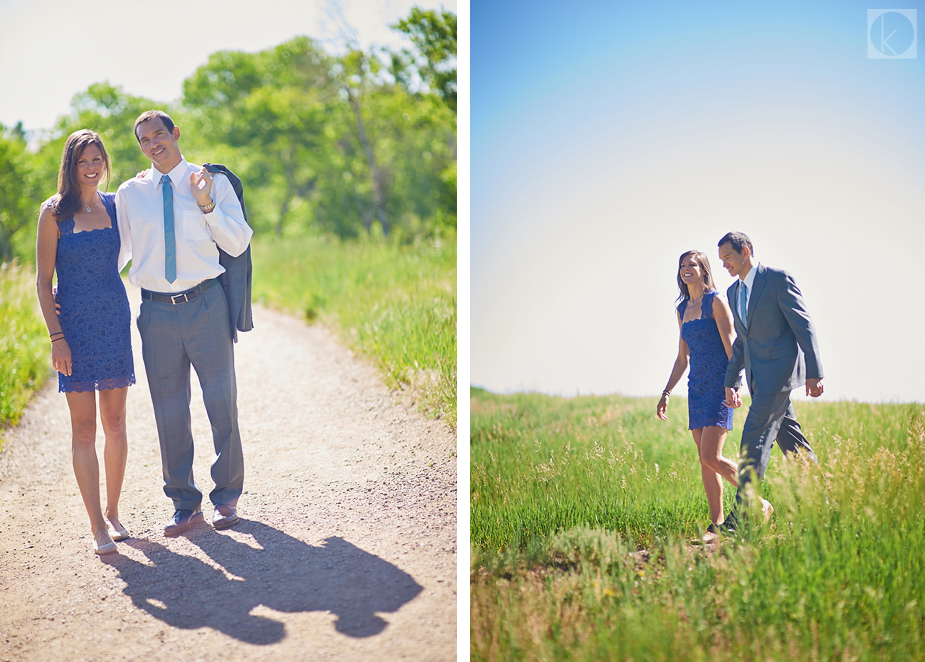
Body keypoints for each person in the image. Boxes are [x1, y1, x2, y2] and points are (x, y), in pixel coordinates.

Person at [116, 110, 253, 536]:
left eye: (159, 134)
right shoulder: (130, 193)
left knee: (220, 401)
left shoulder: (211, 180)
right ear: (140, 146)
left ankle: (227, 496)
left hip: (205, 303)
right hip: (155, 311)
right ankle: (184, 504)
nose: (154, 143)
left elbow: (238, 239)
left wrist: (206, 202)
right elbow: (117, 254)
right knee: (168, 409)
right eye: (144, 139)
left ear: (175, 133)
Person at [36, 130, 135, 555]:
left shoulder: (116, 206)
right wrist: (56, 338)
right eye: (83, 161)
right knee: (84, 428)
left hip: (114, 322)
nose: (92, 167)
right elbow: (43, 281)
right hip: (73, 331)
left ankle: (113, 512)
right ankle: (95, 525)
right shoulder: (53, 213)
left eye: (97, 159)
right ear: (70, 166)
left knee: (115, 424)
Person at [717, 231, 824, 533]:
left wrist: (814, 372)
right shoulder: (733, 292)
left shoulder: (777, 279)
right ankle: (827, 506)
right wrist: (732, 379)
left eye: (728, 257)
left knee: (752, 441)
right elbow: (742, 341)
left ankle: (741, 518)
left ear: (746, 251)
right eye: (721, 259)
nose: (724, 264)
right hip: (756, 379)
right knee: (794, 445)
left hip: (780, 376)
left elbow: (803, 325)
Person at [657, 250, 768, 537]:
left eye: (692, 264)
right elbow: (683, 358)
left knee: (711, 455)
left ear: (704, 270)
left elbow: (732, 345)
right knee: (704, 461)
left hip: (720, 385)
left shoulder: (715, 301)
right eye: (682, 265)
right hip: (696, 389)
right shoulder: (682, 310)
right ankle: (717, 526)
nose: (686, 269)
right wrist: (667, 391)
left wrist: (735, 383)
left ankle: (759, 502)